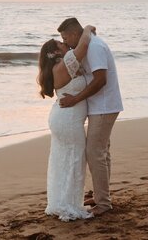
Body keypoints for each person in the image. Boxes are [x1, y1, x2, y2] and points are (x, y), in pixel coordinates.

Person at [57, 17, 123, 216]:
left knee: (94, 153)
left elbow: (100, 80)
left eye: (65, 37)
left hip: (104, 106)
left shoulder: (94, 47)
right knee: (102, 153)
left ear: (75, 34)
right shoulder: (88, 44)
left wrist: (76, 98)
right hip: (100, 106)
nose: (65, 41)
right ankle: (101, 196)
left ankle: (103, 204)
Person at [38, 24, 97, 221]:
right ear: (55, 52)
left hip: (62, 118)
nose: (65, 44)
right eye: (60, 44)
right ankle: (68, 205)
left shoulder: (59, 67)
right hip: (68, 120)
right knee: (73, 161)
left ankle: (61, 202)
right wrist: (87, 29)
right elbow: (84, 45)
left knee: (63, 161)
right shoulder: (64, 65)